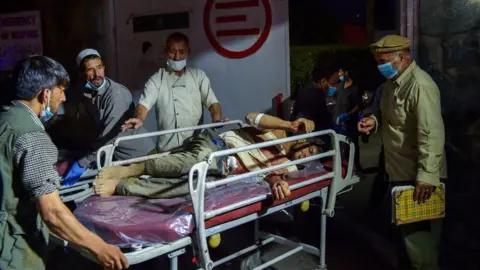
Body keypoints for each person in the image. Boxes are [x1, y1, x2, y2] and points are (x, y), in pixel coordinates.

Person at [0, 56, 128, 270]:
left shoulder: (6, 119)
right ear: (45, 93)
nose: (64, 98)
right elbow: (52, 212)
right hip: (12, 248)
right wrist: (100, 248)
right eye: (61, 90)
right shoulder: (32, 137)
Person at [358, 35, 446, 270]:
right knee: (406, 243)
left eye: (384, 61)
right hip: (399, 173)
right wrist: (373, 122)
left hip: (417, 178)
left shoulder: (420, 85)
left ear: (404, 57)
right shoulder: (392, 84)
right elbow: (391, 116)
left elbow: (431, 133)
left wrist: (427, 175)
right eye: (377, 62)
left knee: (420, 246)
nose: (380, 67)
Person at [94, 113, 319, 201]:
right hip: (217, 147)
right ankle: (135, 168)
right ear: (305, 139)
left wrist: (275, 181)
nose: (308, 156)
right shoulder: (279, 133)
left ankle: (124, 186)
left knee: (183, 189)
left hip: (226, 174)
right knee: (191, 162)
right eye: (311, 149)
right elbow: (251, 118)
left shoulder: (292, 167)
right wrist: (289, 124)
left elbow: (268, 176)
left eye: (312, 157)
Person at [47, 49, 154, 185]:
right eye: (90, 70)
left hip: (137, 157)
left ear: (104, 68)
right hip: (115, 157)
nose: (97, 74)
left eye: (99, 67)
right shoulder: (87, 93)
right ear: (82, 73)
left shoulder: (116, 95)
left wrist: (82, 163)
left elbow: (108, 136)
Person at [122, 32, 223, 152]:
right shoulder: (157, 79)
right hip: (167, 149)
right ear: (165, 52)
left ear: (188, 52)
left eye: (181, 52)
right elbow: (144, 104)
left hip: (195, 147)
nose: (177, 57)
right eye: (172, 51)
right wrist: (139, 118)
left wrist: (216, 119)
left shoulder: (198, 76)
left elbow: (212, 102)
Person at [291, 67, 334, 145]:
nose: (329, 86)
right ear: (323, 81)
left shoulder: (304, 88)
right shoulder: (318, 94)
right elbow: (324, 119)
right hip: (311, 134)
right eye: (329, 82)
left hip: (298, 132)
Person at [334, 67, 364, 171]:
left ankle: (357, 167)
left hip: (350, 121)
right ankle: (345, 168)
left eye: (341, 71)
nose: (339, 74)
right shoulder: (340, 86)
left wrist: (348, 114)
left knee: (352, 144)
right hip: (339, 121)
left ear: (347, 72)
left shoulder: (355, 88)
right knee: (341, 145)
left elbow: (359, 105)